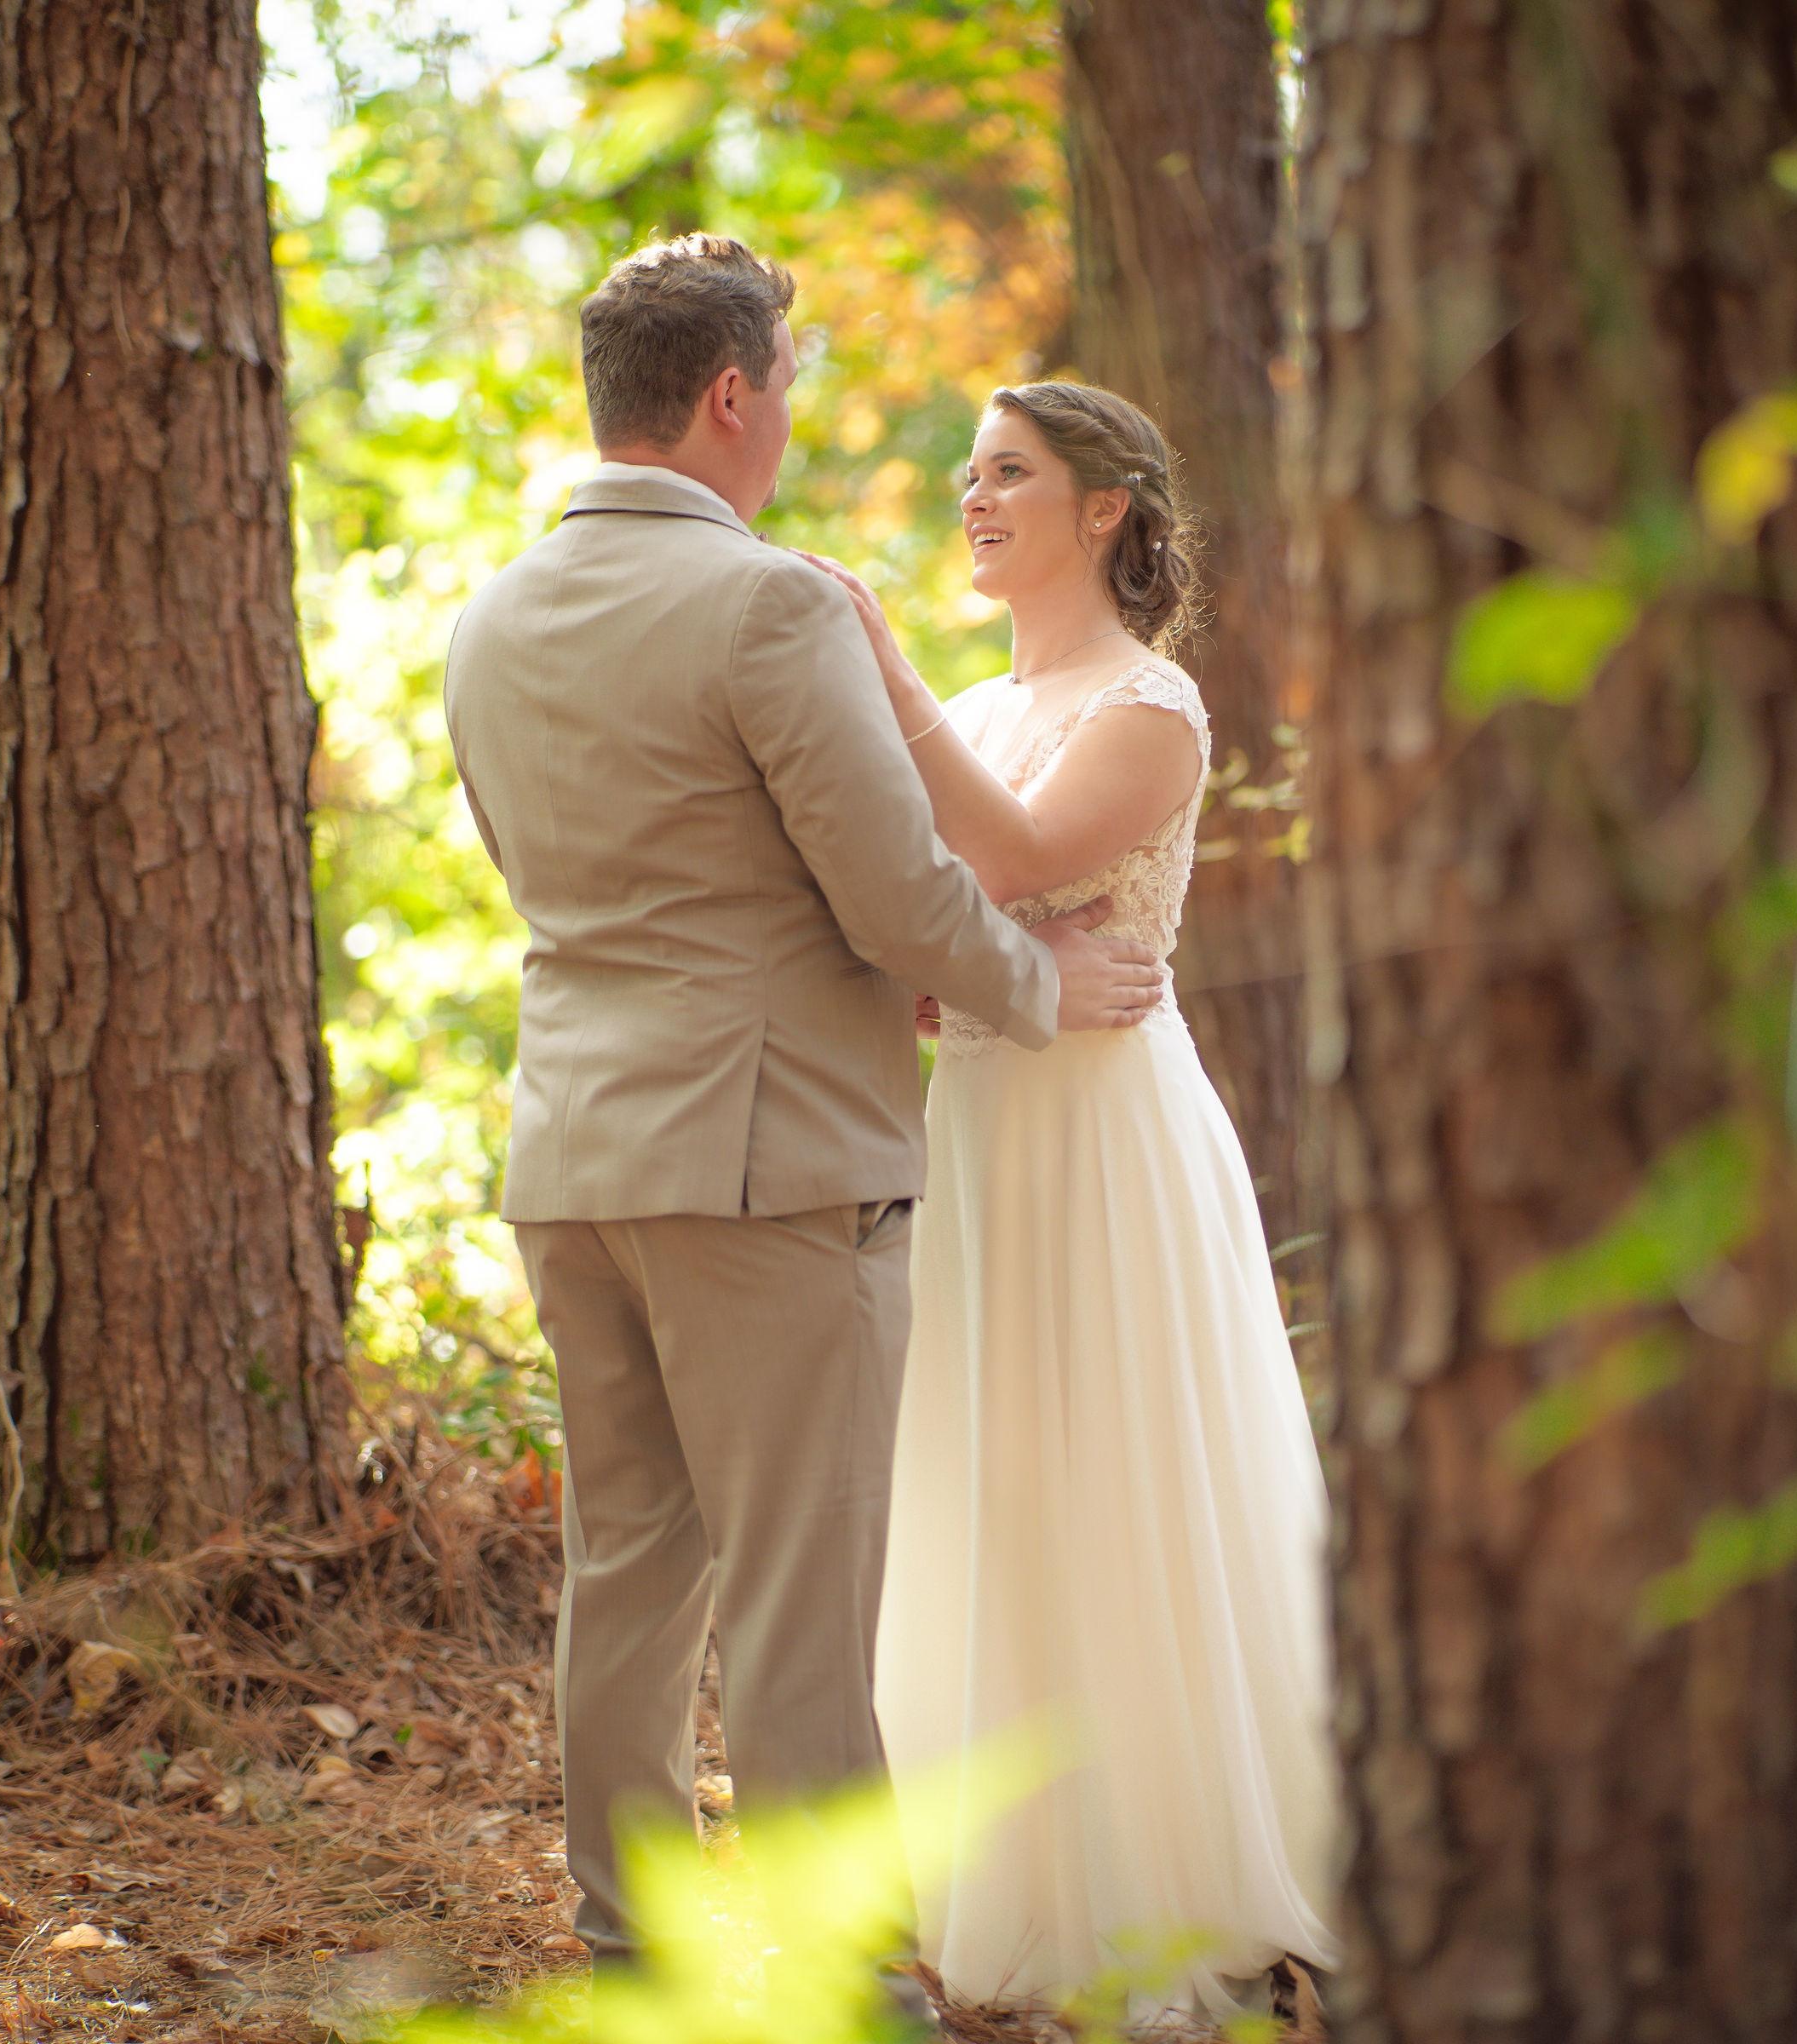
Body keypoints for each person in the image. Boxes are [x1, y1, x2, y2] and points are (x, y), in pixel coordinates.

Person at [439, 237, 1168, 1978]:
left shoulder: (492, 615)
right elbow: (899, 890)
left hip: (576, 1157)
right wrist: (1034, 982)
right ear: (730, 396)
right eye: (788, 394)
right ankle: (848, 1988)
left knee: (627, 1575)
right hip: (769, 1169)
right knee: (801, 1600)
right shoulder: (763, 601)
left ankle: (634, 1954)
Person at [802, 381, 1344, 2021]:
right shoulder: (972, 699)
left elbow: (1019, 850)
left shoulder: (1151, 706)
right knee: (991, 1490)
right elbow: (914, 905)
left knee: (1121, 1477)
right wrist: (943, 955)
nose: (974, 499)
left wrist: (879, 668)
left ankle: (1169, 1881)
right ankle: (1005, 1881)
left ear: (1102, 507)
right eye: (967, 474)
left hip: (1107, 1141)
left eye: (1009, 475)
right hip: (972, 1134)